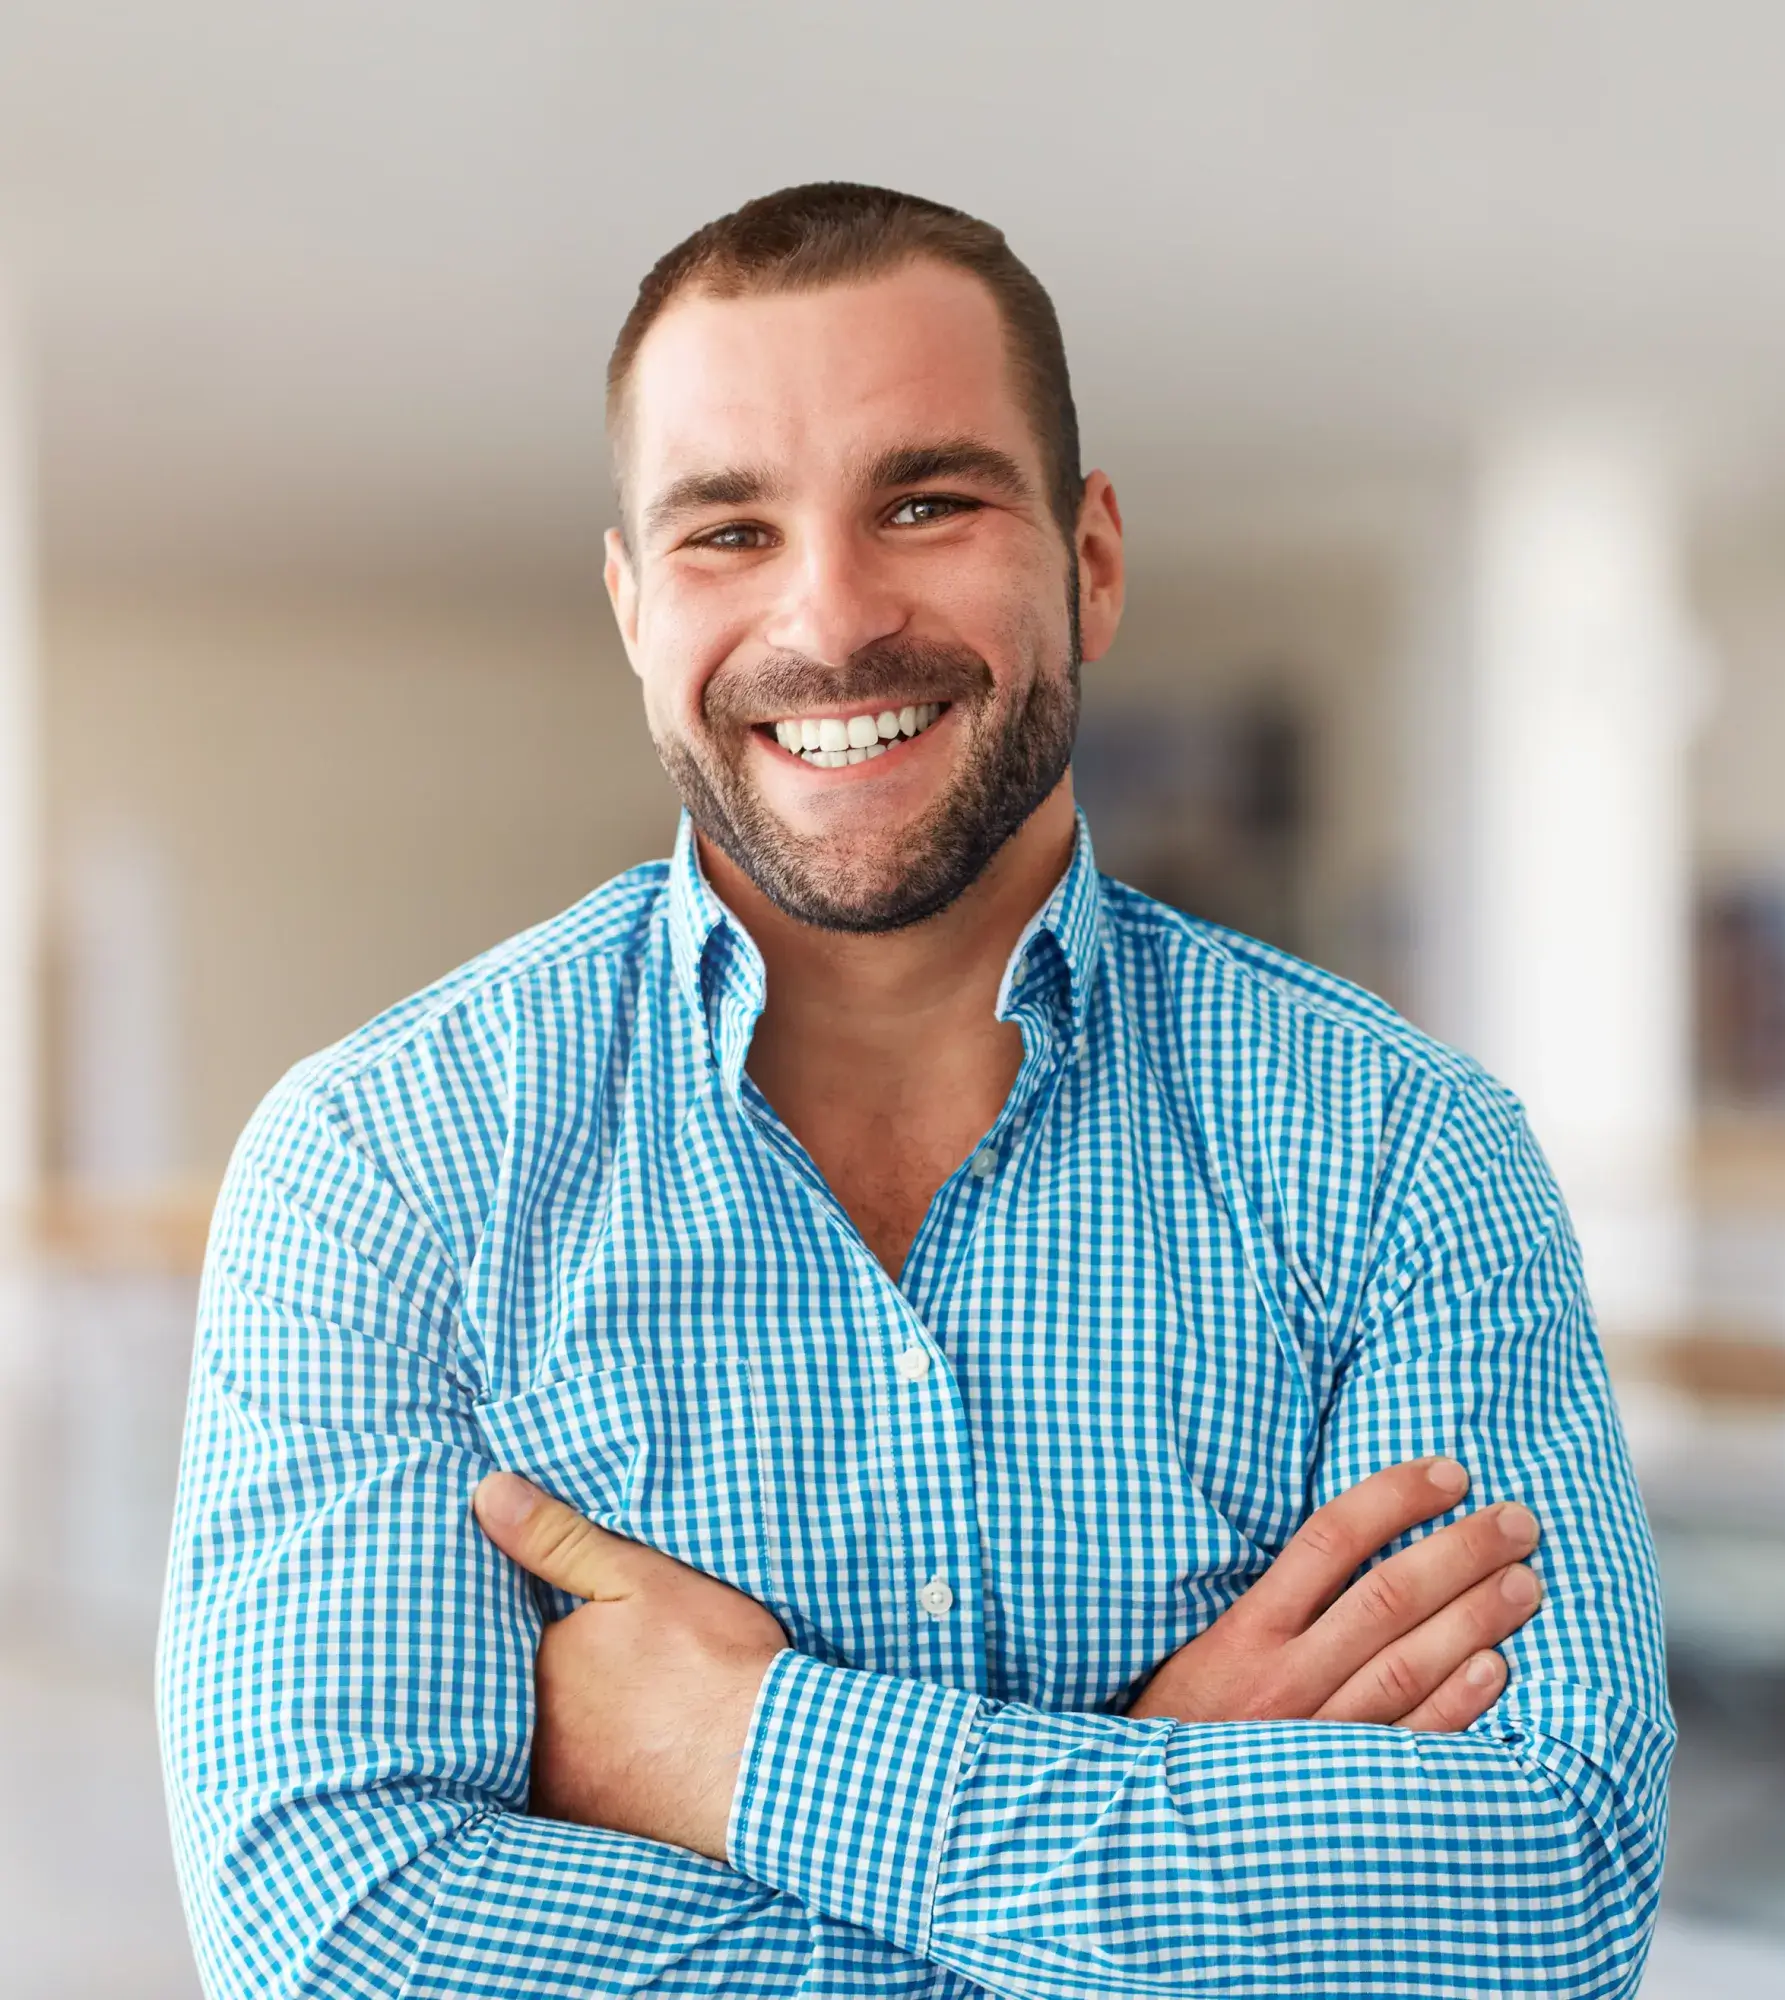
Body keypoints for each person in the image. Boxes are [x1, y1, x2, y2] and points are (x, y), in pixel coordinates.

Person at [156, 183, 1673, 1999]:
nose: (835, 616)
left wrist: (735, 1754)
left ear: (1090, 562)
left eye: (927, 501)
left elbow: (1548, 1903)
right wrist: (1169, 1791)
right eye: (729, 529)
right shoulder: (386, 1165)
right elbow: (335, 1933)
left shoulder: (1400, 1149)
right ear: (635, 608)